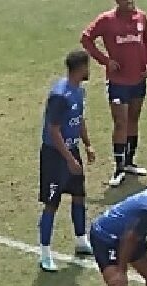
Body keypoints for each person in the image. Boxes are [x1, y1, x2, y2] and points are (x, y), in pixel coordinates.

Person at [81, 0, 147, 188]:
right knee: (120, 122)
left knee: (133, 119)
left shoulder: (141, 17)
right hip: (118, 82)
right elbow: (86, 39)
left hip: (138, 79)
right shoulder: (106, 20)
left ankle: (129, 162)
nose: (130, 2)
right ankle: (119, 168)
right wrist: (106, 61)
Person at [37, 50, 97, 272]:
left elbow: (79, 119)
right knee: (52, 203)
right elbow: (53, 131)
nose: (89, 71)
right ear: (80, 68)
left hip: (72, 151)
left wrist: (87, 144)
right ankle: (45, 253)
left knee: (79, 196)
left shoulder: (79, 92)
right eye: (87, 67)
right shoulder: (59, 95)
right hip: (55, 156)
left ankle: (81, 240)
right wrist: (70, 159)